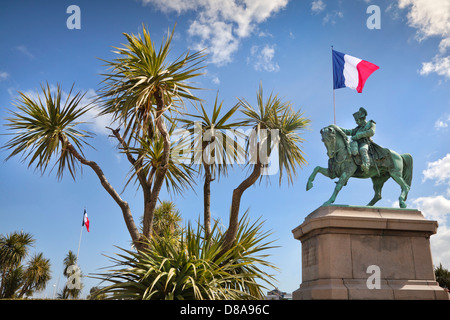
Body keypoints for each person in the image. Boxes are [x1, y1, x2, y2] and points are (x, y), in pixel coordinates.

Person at [340, 107, 375, 174]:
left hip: (365, 143)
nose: (356, 123)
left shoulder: (371, 123)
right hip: (355, 144)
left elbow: (371, 132)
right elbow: (348, 131)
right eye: (356, 121)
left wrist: (359, 135)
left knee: (363, 150)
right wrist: (338, 128)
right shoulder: (357, 129)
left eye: (357, 120)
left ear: (362, 119)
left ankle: (366, 166)